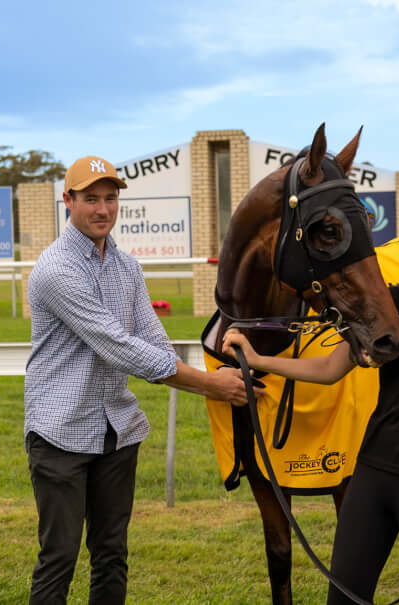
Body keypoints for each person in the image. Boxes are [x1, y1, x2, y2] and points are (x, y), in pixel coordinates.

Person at [224, 196, 399, 605]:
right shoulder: (389, 304)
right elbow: (329, 369)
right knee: (343, 598)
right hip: (372, 475)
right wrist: (258, 359)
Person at [25, 154, 255, 605]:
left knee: (111, 553)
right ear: (67, 201)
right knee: (60, 557)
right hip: (61, 432)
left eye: (110, 199)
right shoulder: (56, 270)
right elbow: (120, 347)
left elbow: (155, 342)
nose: (103, 209)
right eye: (91, 199)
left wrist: (215, 369)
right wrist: (211, 385)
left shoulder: (127, 267)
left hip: (117, 430)